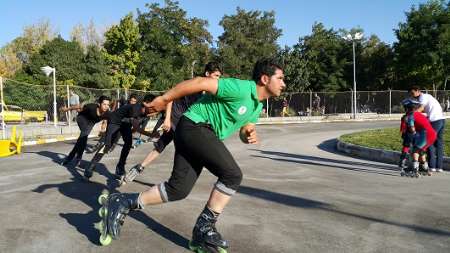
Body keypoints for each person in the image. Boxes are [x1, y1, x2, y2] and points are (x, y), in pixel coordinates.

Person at [97, 59, 285, 252]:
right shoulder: (241, 88)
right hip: (195, 126)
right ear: (264, 78)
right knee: (232, 175)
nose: (283, 84)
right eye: (280, 78)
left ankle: (123, 202)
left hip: (198, 133)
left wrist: (248, 135)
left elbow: (246, 130)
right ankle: (203, 229)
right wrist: (164, 99)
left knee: (178, 189)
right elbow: (199, 83)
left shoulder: (257, 106)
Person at [123, 62, 223, 184]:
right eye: (216, 75)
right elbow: (171, 97)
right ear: (207, 73)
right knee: (171, 147)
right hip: (175, 116)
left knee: (170, 146)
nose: (218, 79)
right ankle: (143, 170)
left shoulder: (209, 92)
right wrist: (167, 119)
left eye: (219, 76)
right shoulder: (193, 84)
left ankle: (140, 168)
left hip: (186, 121)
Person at [83, 94, 156, 180]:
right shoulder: (136, 109)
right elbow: (137, 128)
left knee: (128, 143)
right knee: (107, 145)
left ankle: (120, 168)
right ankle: (91, 166)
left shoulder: (145, 111)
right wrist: (151, 135)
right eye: (155, 104)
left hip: (125, 123)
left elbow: (135, 128)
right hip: (114, 121)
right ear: (146, 103)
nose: (156, 107)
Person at [60, 96, 111, 166]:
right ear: (99, 104)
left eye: (108, 105)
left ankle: (71, 158)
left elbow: (108, 121)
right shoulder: (91, 107)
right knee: (84, 135)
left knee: (83, 137)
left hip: (91, 123)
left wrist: (104, 124)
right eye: (104, 104)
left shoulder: (107, 113)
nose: (106, 107)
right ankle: (77, 157)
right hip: (82, 118)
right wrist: (67, 109)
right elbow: (79, 106)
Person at [409, 87, 446, 172]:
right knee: (439, 144)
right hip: (441, 119)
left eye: (413, 93)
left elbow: (421, 108)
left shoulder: (423, 96)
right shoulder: (428, 96)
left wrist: (412, 114)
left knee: (429, 141)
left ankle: (432, 166)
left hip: (434, 120)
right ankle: (439, 167)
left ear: (418, 91)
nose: (412, 95)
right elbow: (425, 110)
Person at [399, 98, 437, 176]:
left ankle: (414, 169)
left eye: (405, 108)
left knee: (415, 150)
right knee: (421, 150)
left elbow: (412, 127)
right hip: (432, 134)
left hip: (425, 134)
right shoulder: (419, 114)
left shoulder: (410, 116)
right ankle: (425, 168)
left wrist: (414, 134)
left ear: (407, 108)